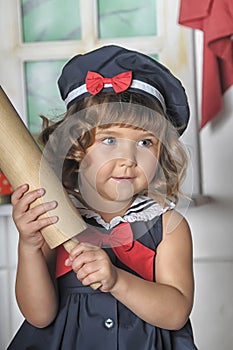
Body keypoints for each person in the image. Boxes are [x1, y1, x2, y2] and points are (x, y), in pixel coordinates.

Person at [7, 45, 197, 349]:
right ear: (77, 147)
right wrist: (29, 246)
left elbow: (175, 314)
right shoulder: (53, 215)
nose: (128, 158)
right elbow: (39, 316)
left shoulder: (168, 226)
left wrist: (118, 282)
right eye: (109, 139)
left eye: (145, 142)